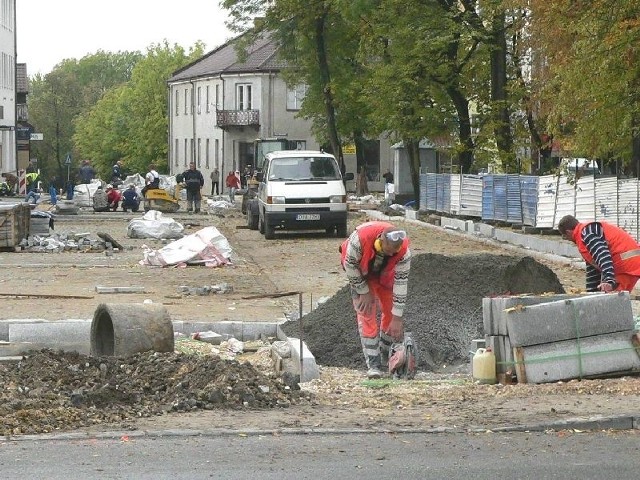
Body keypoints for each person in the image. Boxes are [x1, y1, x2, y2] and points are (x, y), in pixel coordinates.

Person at [339, 221, 412, 379]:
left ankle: (386, 357)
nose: (391, 254)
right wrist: (363, 291)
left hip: (385, 277)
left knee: (391, 313)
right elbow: (350, 265)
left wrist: (397, 317)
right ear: (381, 241)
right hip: (361, 275)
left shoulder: (404, 253)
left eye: (395, 252)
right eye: (388, 250)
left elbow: (401, 283)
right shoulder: (359, 240)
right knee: (367, 312)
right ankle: (374, 365)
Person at [558, 215, 640, 293]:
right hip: (627, 262)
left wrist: (609, 280)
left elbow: (603, 255)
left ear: (568, 232)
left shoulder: (588, 233)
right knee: (609, 298)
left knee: (612, 299)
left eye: (565, 237)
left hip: (626, 264)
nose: (568, 240)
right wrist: (591, 293)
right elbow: (593, 269)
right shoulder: (584, 237)